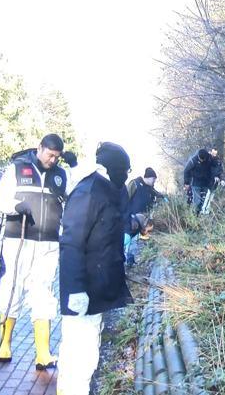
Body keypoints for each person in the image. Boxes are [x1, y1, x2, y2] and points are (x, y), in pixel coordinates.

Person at [57, 142, 147, 395]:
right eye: (125, 170)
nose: (127, 176)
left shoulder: (108, 189)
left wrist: (133, 223)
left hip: (98, 287)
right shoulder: (89, 192)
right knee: (77, 353)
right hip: (83, 288)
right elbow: (71, 243)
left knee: (89, 350)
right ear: (113, 168)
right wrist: (75, 289)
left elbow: (108, 226)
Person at [0, 133, 76, 370]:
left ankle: (43, 353)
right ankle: (4, 344)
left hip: (48, 243)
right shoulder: (17, 169)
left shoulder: (61, 174)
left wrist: (74, 164)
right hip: (19, 239)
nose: (53, 161)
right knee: (13, 287)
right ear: (40, 148)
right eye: (50, 155)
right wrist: (16, 206)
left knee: (44, 293)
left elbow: (76, 195)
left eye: (57, 157)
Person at [123, 167, 162, 265]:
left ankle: (131, 261)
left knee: (134, 244)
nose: (154, 181)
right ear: (148, 178)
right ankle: (126, 261)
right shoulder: (135, 183)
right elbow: (125, 198)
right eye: (153, 179)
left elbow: (157, 194)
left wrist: (163, 198)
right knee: (127, 241)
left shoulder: (150, 188)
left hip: (142, 223)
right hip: (132, 220)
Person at [183, 148, 219, 214]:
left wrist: (216, 175)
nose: (202, 160)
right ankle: (195, 214)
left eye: (203, 159)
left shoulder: (210, 158)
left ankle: (202, 213)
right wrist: (186, 183)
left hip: (206, 182)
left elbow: (216, 166)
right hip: (196, 182)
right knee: (197, 201)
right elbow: (186, 171)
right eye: (200, 159)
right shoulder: (193, 160)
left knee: (204, 200)